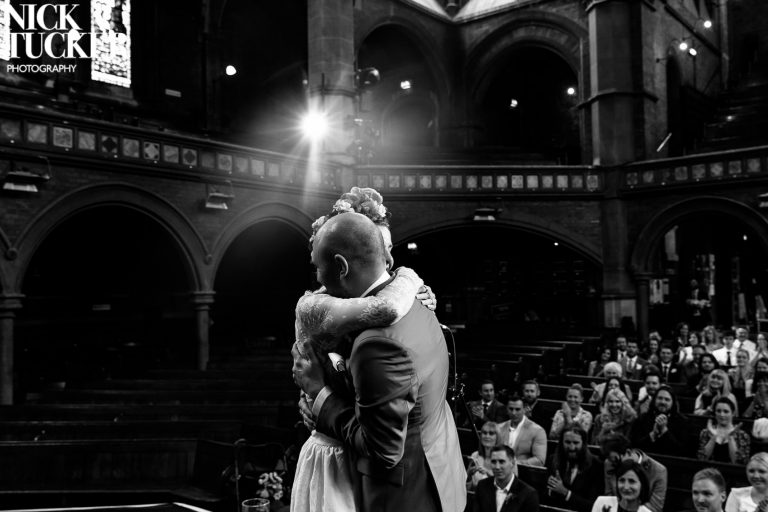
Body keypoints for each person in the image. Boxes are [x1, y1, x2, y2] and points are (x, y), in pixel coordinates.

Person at [295, 213, 465, 511]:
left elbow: (383, 451)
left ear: (341, 267)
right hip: (441, 470)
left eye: (318, 267)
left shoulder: (377, 344)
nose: (317, 279)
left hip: (405, 495)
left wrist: (320, 397)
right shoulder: (416, 299)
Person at [600, 433, 668, 512]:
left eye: (616, 460)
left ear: (628, 452)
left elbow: (655, 507)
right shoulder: (610, 463)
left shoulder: (658, 471)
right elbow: (609, 497)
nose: (615, 465)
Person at [546, 426, 602, 512]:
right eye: (567, 442)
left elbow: (594, 505)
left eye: (576, 443)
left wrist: (566, 493)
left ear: (583, 444)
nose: (571, 447)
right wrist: (551, 489)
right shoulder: (552, 460)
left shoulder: (596, 465)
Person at [472, 445, 539, 512]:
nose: (497, 467)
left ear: (512, 463)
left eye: (501, 462)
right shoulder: (482, 486)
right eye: (493, 462)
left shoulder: (528, 494)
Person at [631, 385, 690, 456]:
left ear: (673, 402)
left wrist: (664, 431)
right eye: (660, 398)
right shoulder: (642, 419)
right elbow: (634, 446)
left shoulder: (683, 422)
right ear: (654, 400)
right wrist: (653, 434)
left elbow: (683, 451)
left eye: (667, 399)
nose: (663, 402)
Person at [698, 396, 751, 465]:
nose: (722, 414)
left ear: (733, 413)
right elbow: (702, 459)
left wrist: (731, 438)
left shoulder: (742, 435)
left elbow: (738, 463)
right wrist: (713, 437)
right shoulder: (705, 432)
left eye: (726, 411)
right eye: (718, 411)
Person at [497, 395, 547, 466]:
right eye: (511, 409)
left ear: (524, 409)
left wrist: (513, 464)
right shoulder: (499, 428)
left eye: (517, 409)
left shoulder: (538, 431)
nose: (514, 413)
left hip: (524, 471)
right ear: (506, 409)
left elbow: (539, 460)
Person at [467, 421, 502, 491]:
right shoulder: (475, 455)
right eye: (484, 433)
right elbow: (468, 488)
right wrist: (469, 475)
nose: (487, 436)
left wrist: (488, 473)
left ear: (497, 437)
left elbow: (506, 485)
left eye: (491, 433)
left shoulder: (503, 457)